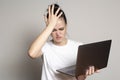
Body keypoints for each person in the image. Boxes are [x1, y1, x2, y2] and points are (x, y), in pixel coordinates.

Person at [28, 3, 99, 80]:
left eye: (61, 29)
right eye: (53, 30)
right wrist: (50, 25)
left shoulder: (78, 47)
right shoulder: (45, 47)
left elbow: (80, 78)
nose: (58, 34)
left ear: (66, 26)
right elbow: (32, 53)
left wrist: (85, 73)